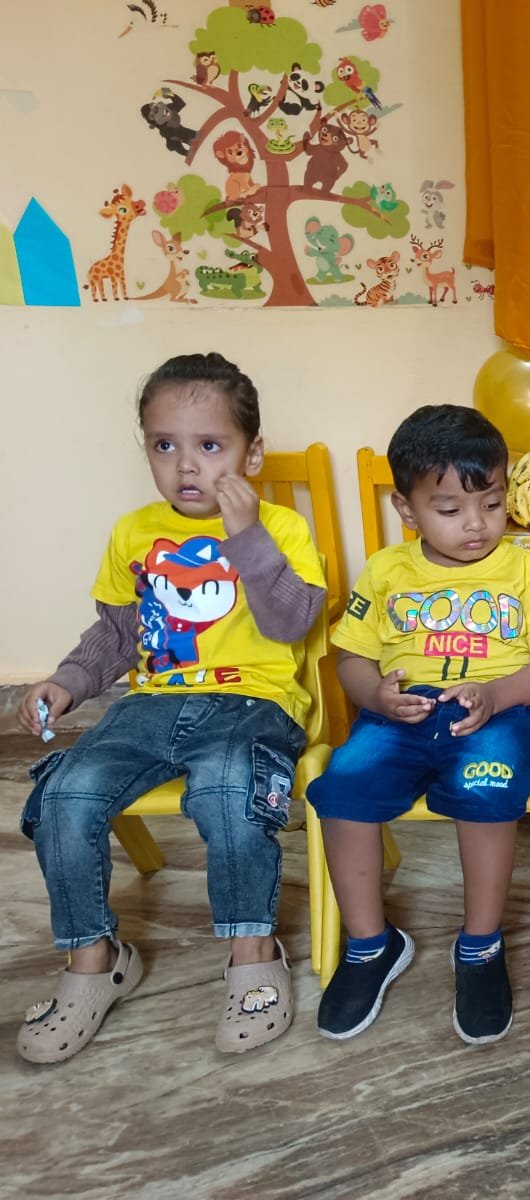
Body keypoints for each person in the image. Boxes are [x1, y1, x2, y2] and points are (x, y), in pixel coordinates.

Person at [17, 352, 325, 1063]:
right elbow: (116, 635)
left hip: (253, 702)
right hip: (152, 703)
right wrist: (66, 683)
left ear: (252, 454)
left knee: (228, 791)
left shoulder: (281, 528)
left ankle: (253, 954)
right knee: (66, 794)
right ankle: (95, 961)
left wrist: (245, 537)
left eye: (210, 446)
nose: (186, 465)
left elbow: (290, 623)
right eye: (164, 445)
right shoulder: (134, 532)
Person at [308, 405, 530, 1044]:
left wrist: (495, 695)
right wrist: (376, 697)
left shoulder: (525, 572)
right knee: (343, 786)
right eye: (451, 509)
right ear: (407, 509)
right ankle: (371, 944)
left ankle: (480, 945)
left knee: (487, 789)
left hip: (497, 712)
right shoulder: (386, 572)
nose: (476, 523)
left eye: (492, 502)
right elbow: (351, 659)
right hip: (401, 714)